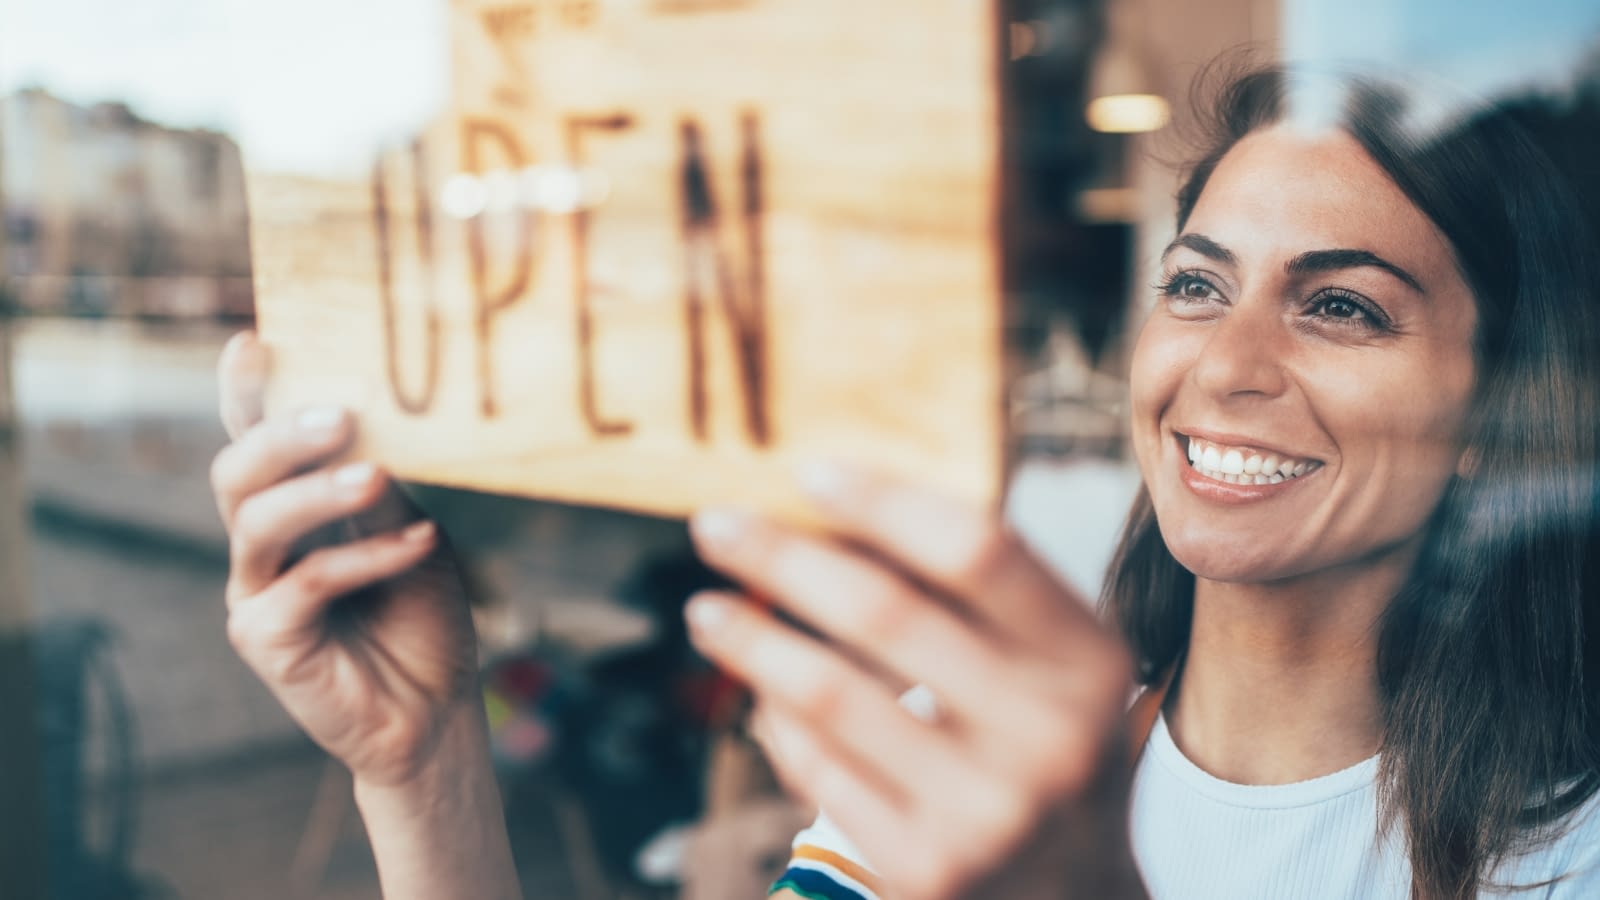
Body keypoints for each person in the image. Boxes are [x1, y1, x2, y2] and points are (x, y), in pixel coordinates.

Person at [209, 64, 1600, 900]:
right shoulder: (946, 753)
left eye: (1341, 308)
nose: (1225, 366)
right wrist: (425, 762)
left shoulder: (1564, 856)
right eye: (1195, 285)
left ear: (1496, 402)